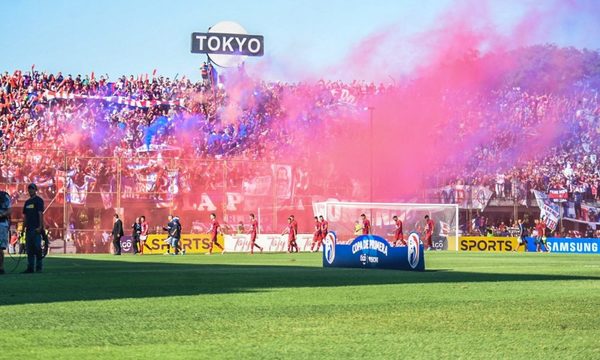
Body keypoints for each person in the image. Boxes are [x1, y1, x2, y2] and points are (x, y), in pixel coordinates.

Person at [22, 183, 44, 273]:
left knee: (37, 248)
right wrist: (23, 228)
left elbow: (40, 214)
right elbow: (25, 217)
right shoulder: (27, 202)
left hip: (36, 229)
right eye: (29, 189)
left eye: (32, 189)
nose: (30, 190)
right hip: (29, 229)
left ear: (36, 190)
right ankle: (30, 267)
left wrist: (40, 227)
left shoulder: (39, 200)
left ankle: (39, 267)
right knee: (29, 249)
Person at [0, 189, 11, 275]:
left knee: (0, 248)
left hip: (2, 224)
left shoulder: (4, 196)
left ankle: (1, 268)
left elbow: (9, 210)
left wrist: (1, 215)